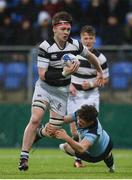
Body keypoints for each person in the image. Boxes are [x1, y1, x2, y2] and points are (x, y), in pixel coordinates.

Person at [18, 11, 104, 171]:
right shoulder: (45, 47)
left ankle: (40, 133)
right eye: (63, 29)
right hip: (44, 87)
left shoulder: (75, 44)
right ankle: (24, 157)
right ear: (54, 29)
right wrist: (65, 72)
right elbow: (43, 75)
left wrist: (99, 71)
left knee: (53, 130)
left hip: (61, 91)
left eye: (68, 29)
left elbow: (91, 56)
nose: (66, 32)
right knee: (35, 117)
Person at [67, 25, 109, 167]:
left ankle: (81, 159)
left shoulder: (100, 58)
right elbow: (63, 71)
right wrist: (69, 85)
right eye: (85, 38)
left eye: (91, 38)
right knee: (74, 130)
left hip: (91, 95)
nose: (88, 41)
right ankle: (80, 157)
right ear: (81, 39)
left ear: (95, 39)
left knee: (88, 125)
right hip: (73, 93)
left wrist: (91, 84)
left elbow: (105, 79)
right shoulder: (73, 54)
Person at [54, 104, 115, 173]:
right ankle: (110, 163)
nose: (78, 122)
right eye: (78, 120)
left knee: (66, 147)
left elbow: (81, 149)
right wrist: (52, 124)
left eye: (82, 123)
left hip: (96, 156)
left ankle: (108, 159)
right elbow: (64, 119)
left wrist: (66, 137)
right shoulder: (80, 114)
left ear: (91, 122)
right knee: (68, 145)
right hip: (106, 140)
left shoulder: (94, 132)